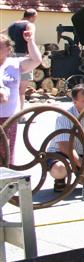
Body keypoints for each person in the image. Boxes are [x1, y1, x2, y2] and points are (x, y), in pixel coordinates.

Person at [1, 26, 43, 164]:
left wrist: (30, 41)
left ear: (8, 49)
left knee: (7, 153)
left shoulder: (15, 64)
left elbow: (36, 60)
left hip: (10, 117)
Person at [45, 85, 84, 192]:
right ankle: (60, 178)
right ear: (74, 101)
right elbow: (64, 147)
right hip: (61, 153)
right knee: (60, 169)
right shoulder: (65, 117)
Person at [6, 8, 37, 113]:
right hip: (24, 58)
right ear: (33, 16)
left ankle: (9, 111)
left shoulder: (12, 25)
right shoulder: (30, 25)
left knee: (11, 87)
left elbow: (2, 34)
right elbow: (30, 37)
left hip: (10, 58)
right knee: (21, 91)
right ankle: (20, 114)